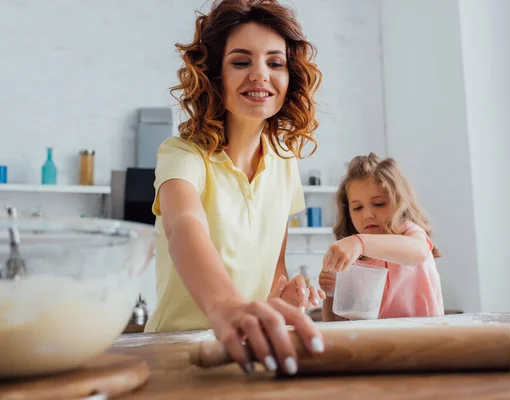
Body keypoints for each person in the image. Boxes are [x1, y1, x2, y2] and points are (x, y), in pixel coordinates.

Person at [144, 0, 326, 376]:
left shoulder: (285, 160)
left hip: (248, 352)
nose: (260, 75)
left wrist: (285, 295)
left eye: (275, 63)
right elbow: (183, 226)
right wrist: (225, 305)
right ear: (214, 75)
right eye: (241, 62)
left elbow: (273, 268)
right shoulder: (181, 154)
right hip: (176, 351)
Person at [318, 153, 444, 321]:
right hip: (376, 344)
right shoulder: (352, 258)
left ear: (399, 201)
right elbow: (334, 323)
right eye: (357, 208)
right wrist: (332, 292)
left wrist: (360, 243)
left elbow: (420, 252)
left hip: (421, 341)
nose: (367, 215)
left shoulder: (409, 233)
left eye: (379, 204)